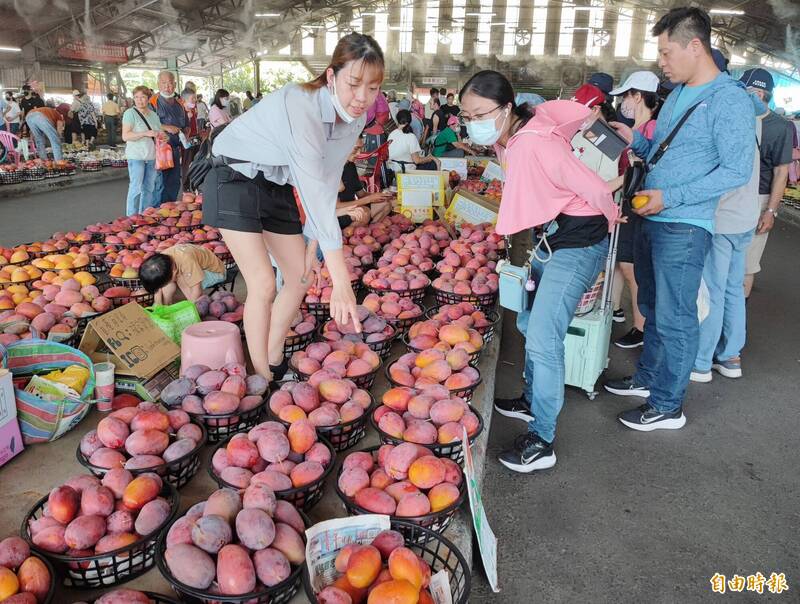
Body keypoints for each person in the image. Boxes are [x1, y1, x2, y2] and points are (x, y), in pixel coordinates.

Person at [604, 7, 756, 432]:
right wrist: (634, 140)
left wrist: (670, 196)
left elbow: (735, 170)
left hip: (685, 225)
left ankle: (668, 405)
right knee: (651, 304)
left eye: (667, 52)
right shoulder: (678, 95)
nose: (662, 62)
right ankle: (649, 378)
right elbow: (666, 155)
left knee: (676, 316)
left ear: (695, 45)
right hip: (654, 216)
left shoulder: (729, 100)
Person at [460, 71, 618, 472]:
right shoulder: (512, 139)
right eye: (466, 114)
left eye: (480, 113)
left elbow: (591, 184)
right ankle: (532, 400)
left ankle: (542, 439)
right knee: (531, 323)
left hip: (579, 242)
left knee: (544, 339)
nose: (472, 121)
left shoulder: (532, 143)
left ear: (506, 108)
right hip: (554, 236)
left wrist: (615, 214)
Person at [201, 33, 384, 380]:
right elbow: (313, 187)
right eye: (354, 84)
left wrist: (314, 246)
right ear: (331, 76)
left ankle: (272, 357)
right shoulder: (300, 104)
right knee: (263, 283)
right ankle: (260, 379)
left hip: (276, 185)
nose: (362, 98)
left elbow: (328, 182)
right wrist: (341, 279)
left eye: (372, 88)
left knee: (301, 276)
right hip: (234, 176)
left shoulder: (355, 118)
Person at [690, 91, 766, 384]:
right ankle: (730, 356)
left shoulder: (727, 130)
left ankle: (701, 361)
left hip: (723, 220)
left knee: (712, 290)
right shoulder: (752, 126)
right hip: (746, 217)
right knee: (734, 288)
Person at [607, 71, 661, 349]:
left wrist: (608, 186)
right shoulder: (636, 129)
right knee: (622, 263)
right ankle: (621, 315)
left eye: (626, 96)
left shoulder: (650, 130)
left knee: (631, 267)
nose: (623, 103)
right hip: (627, 199)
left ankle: (641, 328)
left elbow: (639, 172)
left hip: (638, 202)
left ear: (638, 96)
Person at [741, 68, 794, 299]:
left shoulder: (780, 126)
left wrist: (771, 211)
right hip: (730, 195)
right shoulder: (737, 118)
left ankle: (735, 326)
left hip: (759, 199)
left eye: (747, 91)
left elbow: (781, 172)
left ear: (761, 94)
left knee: (747, 265)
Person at [122, 85, 164, 216]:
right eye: (136, 97)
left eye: (143, 97)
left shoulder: (153, 115)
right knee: (135, 189)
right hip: (136, 157)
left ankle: (144, 216)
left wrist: (163, 136)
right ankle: (131, 217)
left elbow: (158, 132)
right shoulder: (130, 113)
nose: (139, 100)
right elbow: (125, 136)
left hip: (151, 157)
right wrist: (145, 133)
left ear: (148, 99)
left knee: (149, 189)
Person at [140, 244, 226, 304]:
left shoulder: (186, 261)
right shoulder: (162, 260)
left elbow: (197, 290)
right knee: (168, 286)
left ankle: (193, 309)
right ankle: (167, 306)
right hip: (191, 268)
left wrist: (190, 307)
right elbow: (159, 287)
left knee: (183, 284)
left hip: (215, 272)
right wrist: (158, 304)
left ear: (174, 272)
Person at [338, 137, 394, 225]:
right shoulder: (333, 170)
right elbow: (336, 206)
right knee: (364, 212)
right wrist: (368, 199)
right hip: (339, 212)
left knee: (386, 205)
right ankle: (350, 233)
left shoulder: (350, 166)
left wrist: (380, 196)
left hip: (353, 206)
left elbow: (361, 194)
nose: (359, 153)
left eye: (361, 148)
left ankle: (366, 231)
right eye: (356, 149)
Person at [571, 83, 619, 182]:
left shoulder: (611, 141)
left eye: (579, 112)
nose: (575, 118)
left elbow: (607, 182)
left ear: (595, 109)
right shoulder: (579, 135)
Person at [152, 70, 186, 204]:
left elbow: (185, 125)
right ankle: (156, 213)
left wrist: (186, 133)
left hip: (176, 150)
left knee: (174, 182)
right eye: (164, 83)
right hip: (160, 151)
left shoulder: (179, 104)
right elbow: (147, 124)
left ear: (175, 84)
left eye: (170, 83)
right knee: (160, 184)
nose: (167, 86)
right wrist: (166, 127)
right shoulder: (153, 102)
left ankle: (169, 209)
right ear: (158, 84)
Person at [180, 87, 200, 191]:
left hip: (195, 139)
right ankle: (185, 187)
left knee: (195, 163)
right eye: (192, 99)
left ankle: (194, 185)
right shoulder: (181, 112)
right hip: (186, 142)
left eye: (195, 98)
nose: (194, 101)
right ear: (184, 100)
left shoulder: (192, 110)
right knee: (186, 164)